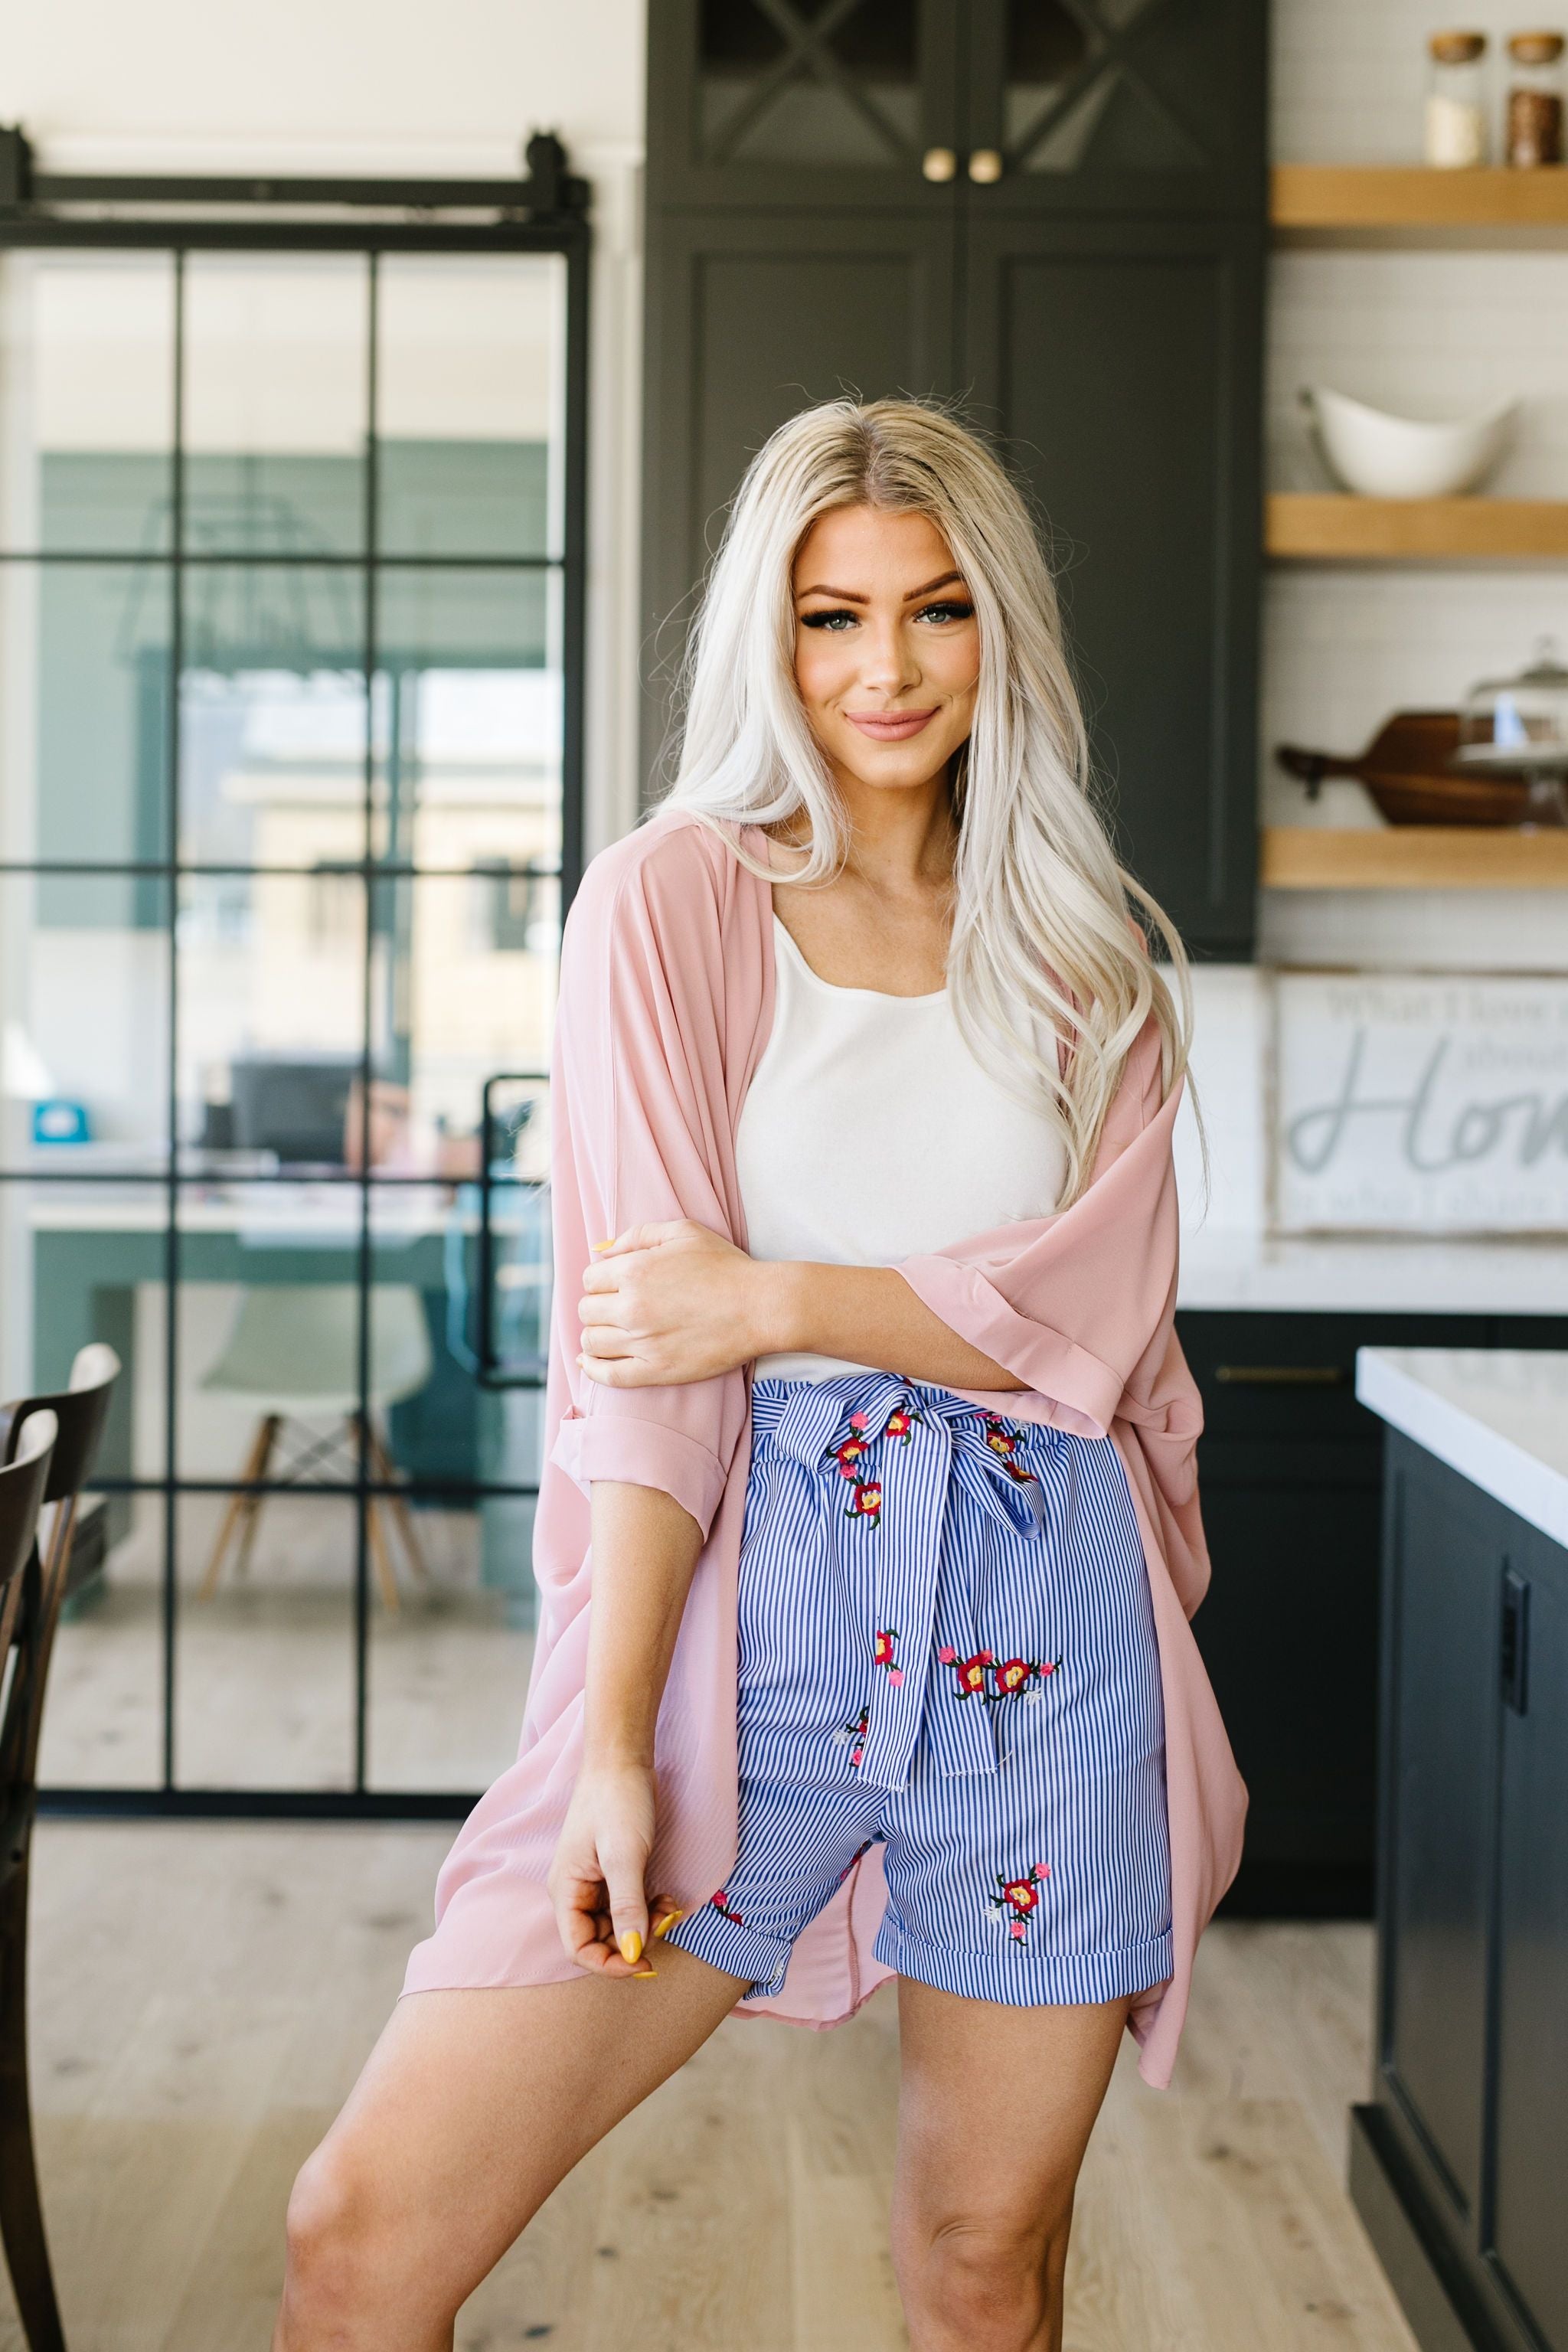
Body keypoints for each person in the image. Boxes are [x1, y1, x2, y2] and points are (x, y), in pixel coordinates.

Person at [275, 399, 1246, 2352]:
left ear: (1001, 630)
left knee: (985, 2272)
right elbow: (649, 1367)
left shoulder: (1090, 964)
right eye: (829, 616)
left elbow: (1087, 1330)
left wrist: (775, 1297)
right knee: (359, 2239)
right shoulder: (669, 902)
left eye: (936, 609)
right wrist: (609, 1741)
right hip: (753, 1632)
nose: (885, 668)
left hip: (1047, 1641)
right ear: (768, 637)